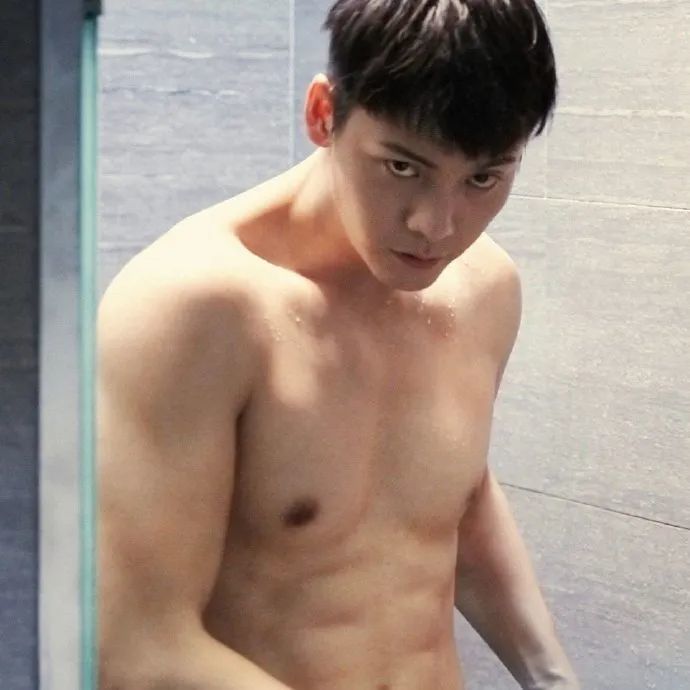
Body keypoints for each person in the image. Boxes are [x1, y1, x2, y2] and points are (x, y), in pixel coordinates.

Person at [97, 1, 580, 688]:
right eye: (403, 167)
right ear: (324, 114)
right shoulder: (192, 309)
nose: (437, 226)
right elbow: (135, 647)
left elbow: (458, 502)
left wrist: (554, 678)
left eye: (482, 178)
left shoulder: (485, 290)